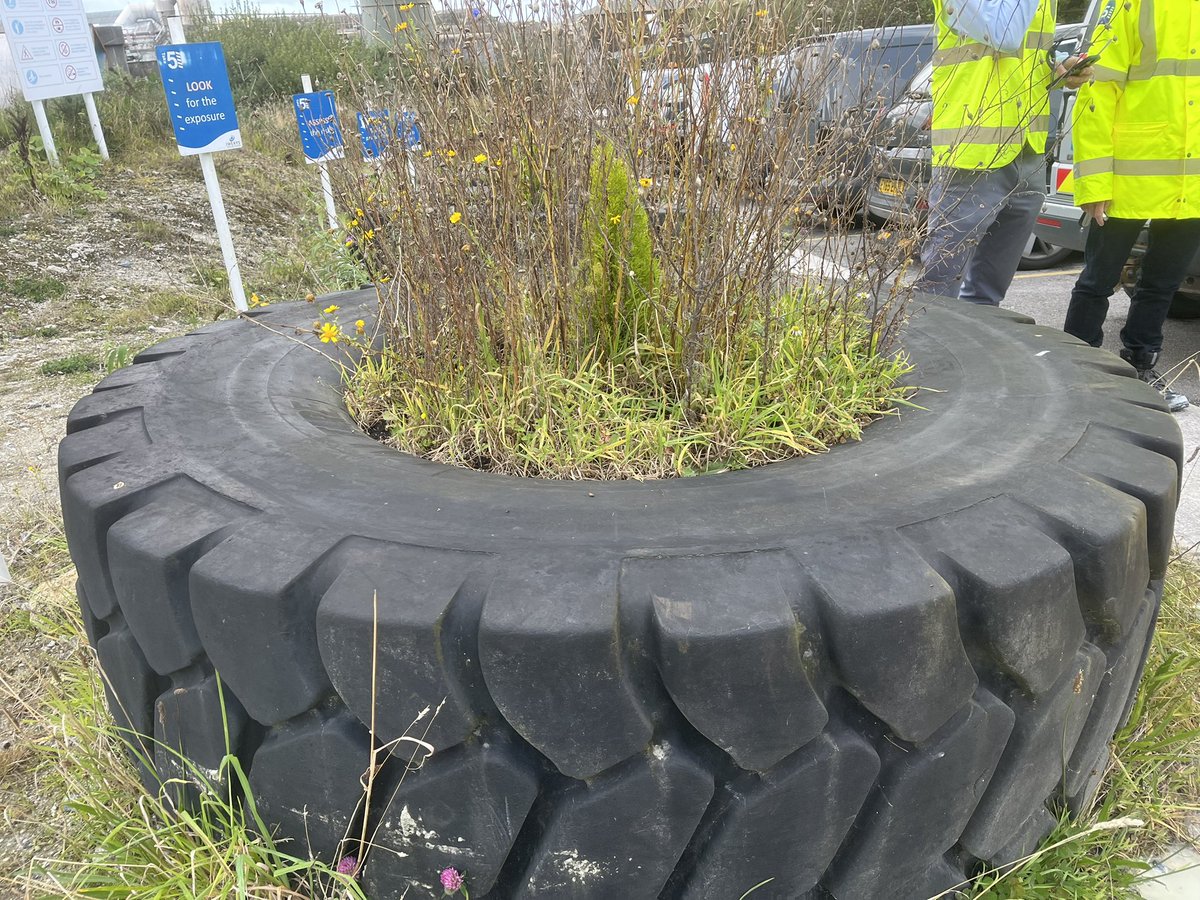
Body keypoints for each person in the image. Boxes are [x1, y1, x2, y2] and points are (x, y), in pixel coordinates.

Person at [1061, 0, 1198, 413]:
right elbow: (1096, 94)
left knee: (1162, 284)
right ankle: (1077, 374)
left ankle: (1142, 366)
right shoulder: (1132, 5)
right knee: (1097, 281)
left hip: (1190, 183)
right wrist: (1096, 182)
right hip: (1127, 177)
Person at [917, 0, 1091, 304]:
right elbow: (1003, 34)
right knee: (936, 296)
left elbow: (1019, 61)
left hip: (1028, 154)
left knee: (987, 298)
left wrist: (1059, 70)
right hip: (969, 158)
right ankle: (921, 354)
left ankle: (973, 352)